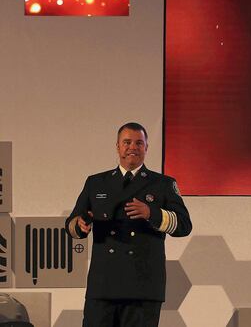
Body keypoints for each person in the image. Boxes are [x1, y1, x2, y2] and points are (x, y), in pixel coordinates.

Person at [66, 122, 192, 327]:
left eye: (138, 143)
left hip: (142, 286)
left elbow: (184, 225)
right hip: (104, 284)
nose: (132, 147)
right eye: (127, 142)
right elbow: (71, 225)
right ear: (117, 146)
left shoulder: (162, 184)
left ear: (146, 148)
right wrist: (80, 225)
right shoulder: (96, 182)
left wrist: (152, 213)